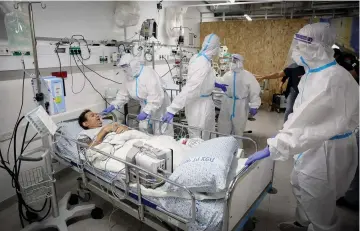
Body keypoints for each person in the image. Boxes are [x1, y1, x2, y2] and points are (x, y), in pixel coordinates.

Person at [245, 23, 359, 231]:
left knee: (318, 197)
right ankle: (302, 224)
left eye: (301, 45)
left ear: (318, 47)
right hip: (313, 144)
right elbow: (300, 117)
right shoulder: (312, 74)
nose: (296, 50)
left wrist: (274, 147)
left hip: (326, 149)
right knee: (300, 184)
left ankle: (323, 227)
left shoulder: (332, 79)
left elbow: (311, 124)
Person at [161, 33, 228, 140]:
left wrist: (215, 84)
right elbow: (191, 88)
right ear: (214, 48)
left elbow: (203, 79)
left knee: (208, 133)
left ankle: (209, 155)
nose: (218, 49)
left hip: (204, 102)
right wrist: (172, 109)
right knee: (199, 137)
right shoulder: (202, 63)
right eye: (218, 47)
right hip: (199, 106)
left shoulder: (200, 58)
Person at [102, 53, 173, 136]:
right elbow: (123, 94)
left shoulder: (148, 73)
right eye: (123, 67)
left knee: (161, 128)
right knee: (144, 127)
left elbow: (155, 96)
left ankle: (168, 147)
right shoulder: (128, 77)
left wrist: (146, 112)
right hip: (145, 104)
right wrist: (114, 105)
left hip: (160, 104)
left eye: (126, 66)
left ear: (133, 64)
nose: (124, 69)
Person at [217, 54, 261, 147]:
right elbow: (221, 84)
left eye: (234, 61)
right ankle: (222, 148)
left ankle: (237, 151)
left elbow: (254, 90)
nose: (232, 63)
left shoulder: (247, 76)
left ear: (240, 62)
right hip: (227, 103)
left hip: (240, 105)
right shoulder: (227, 75)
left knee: (238, 128)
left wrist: (254, 105)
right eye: (231, 61)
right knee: (223, 127)